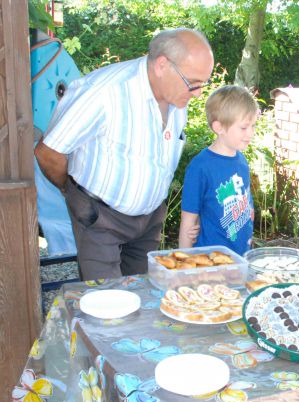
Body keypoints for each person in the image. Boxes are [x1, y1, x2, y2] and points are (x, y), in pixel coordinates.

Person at [34, 28, 215, 280]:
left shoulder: (176, 97)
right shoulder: (103, 92)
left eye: (202, 85)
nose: (197, 93)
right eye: (193, 84)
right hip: (100, 219)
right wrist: (70, 190)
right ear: (163, 65)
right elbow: (48, 151)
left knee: (141, 294)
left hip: (149, 220)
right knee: (105, 301)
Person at [178, 86, 257, 255]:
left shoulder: (242, 161)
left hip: (241, 257)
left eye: (253, 126)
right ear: (219, 127)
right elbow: (188, 223)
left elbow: (246, 205)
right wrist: (184, 267)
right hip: (211, 261)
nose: (251, 133)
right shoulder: (200, 167)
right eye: (244, 127)